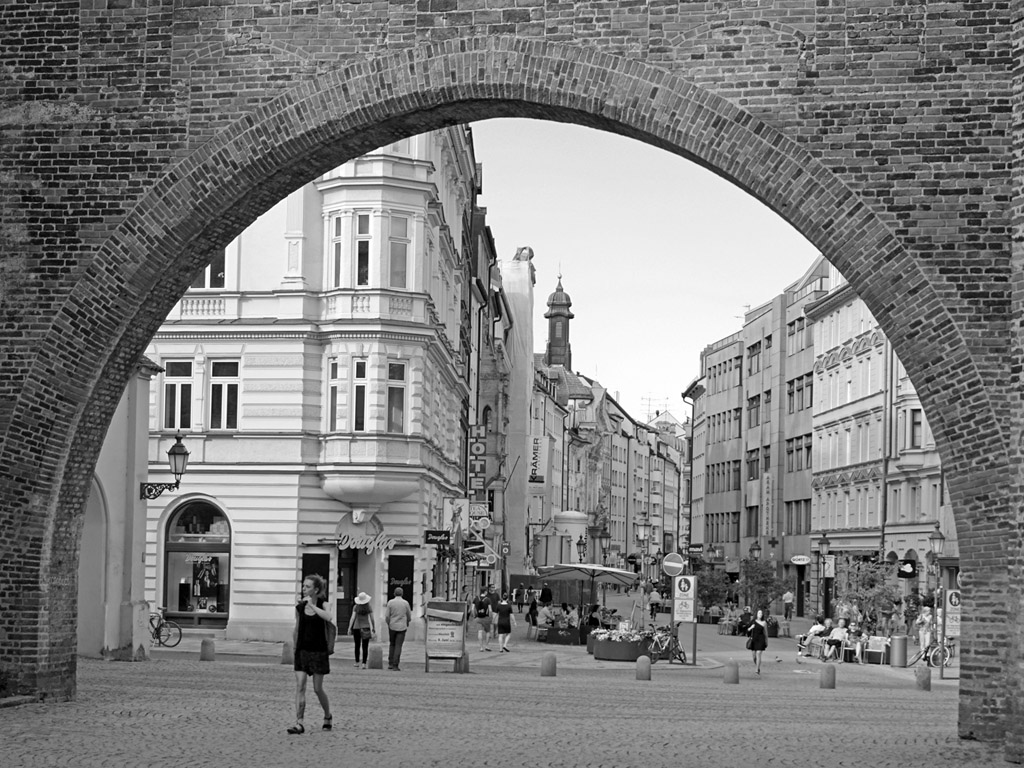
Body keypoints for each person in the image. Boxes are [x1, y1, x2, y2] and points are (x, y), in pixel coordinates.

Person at [288, 574, 333, 734]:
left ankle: (327, 716)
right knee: (300, 686)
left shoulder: (324, 604)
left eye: (307, 587)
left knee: (317, 688)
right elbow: (297, 627)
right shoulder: (300, 607)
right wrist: (295, 647)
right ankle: (299, 722)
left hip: (318, 651)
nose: (304, 589)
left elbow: (328, 617)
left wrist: (312, 606)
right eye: (304, 586)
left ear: (316, 589)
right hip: (302, 650)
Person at [383, 586, 412, 671]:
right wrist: (408, 622)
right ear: (402, 594)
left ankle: (390, 663)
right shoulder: (405, 603)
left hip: (392, 625)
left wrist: (388, 623)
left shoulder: (390, 602)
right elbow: (409, 615)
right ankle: (396, 664)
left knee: (392, 644)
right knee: (398, 645)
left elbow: (387, 616)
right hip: (402, 626)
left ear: (394, 593)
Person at [346, 591, 375, 669]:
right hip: (366, 627)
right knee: (365, 646)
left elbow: (352, 618)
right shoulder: (369, 607)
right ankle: (364, 663)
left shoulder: (356, 607)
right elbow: (372, 618)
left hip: (356, 627)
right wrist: (373, 627)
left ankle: (357, 662)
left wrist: (349, 627)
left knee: (357, 645)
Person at [746, 608, 768, 674]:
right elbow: (747, 630)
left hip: (761, 639)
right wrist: (751, 628)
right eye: (759, 613)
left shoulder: (764, 623)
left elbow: (766, 633)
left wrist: (766, 641)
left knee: (758, 653)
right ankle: (757, 665)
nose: (760, 614)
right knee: (754, 656)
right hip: (754, 639)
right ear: (756, 614)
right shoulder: (753, 621)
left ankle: (757, 669)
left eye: (761, 613)